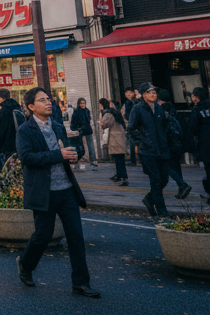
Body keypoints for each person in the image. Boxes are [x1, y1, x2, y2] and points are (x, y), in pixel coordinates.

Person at [15, 87, 98, 298]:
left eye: (48, 99)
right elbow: (27, 158)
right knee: (43, 235)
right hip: (44, 191)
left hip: (66, 189)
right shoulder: (25, 130)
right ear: (31, 106)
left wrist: (74, 155)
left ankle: (81, 283)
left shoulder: (59, 126)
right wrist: (58, 154)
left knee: (76, 236)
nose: (48, 102)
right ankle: (25, 263)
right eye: (42, 100)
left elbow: (67, 151)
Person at [127, 82, 170, 218]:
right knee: (155, 180)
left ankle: (149, 199)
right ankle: (162, 211)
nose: (153, 94)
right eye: (149, 92)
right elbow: (131, 129)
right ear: (143, 95)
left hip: (161, 149)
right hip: (147, 151)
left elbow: (164, 126)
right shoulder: (138, 109)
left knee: (164, 179)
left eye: (154, 92)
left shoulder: (159, 108)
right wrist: (143, 140)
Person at [159, 95, 192, 200]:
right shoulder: (176, 115)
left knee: (167, 166)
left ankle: (182, 185)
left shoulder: (166, 119)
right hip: (177, 145)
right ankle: (181, 188)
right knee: (176, 166)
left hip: (169, 145)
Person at [98, 98, 128, 185]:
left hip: (116, 138)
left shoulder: (109, 113)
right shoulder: (115, 112)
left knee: (119, 159)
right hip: (120, 136)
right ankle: (119, 175)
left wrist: (101, 117)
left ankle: (124, 178)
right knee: (119, 159)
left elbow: (104, 124)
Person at [0, 89, 25, 157]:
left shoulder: (4, 110)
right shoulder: (16, 107)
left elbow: (0, 130)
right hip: (19, 141)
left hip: (7, 145)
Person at [69, 98, 94, 170]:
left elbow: (88, 120)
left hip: (87, 130)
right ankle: (79, 161)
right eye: (81, 103)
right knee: (81, 147)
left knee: (91, 146)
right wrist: (78, 128)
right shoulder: (76, 112)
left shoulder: (87, 111)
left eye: (83, 103)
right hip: (79, 131)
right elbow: (73, 122)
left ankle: (93, 160)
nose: (82, 105)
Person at [122, 88, 140, 166]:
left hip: (137, 124)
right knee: (132, 143)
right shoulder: (126, 103)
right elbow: (125, 114)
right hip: (131, 124)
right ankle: (133, 160)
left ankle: (136, 159)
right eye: (127, 93)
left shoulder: (137, 102)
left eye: (130, 92)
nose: (128, 94)